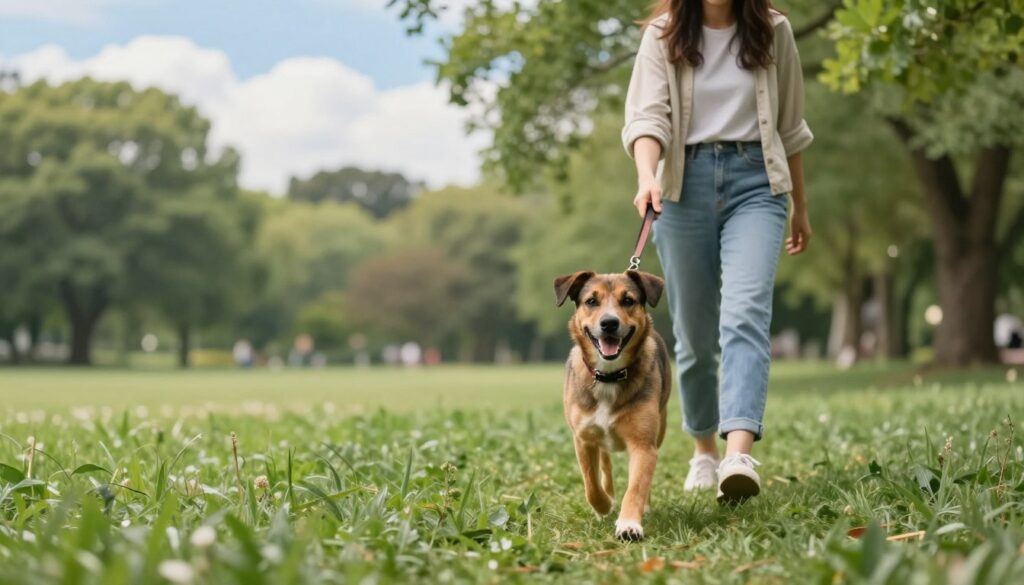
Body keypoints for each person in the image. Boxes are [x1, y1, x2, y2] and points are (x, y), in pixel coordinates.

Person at [622, 0, 813, 503]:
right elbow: (647, 118)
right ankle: (704, 449)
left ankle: (738, 453)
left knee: (745, 313)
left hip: (758, 182)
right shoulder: (663, 35)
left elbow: (791, 125)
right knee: (694, 335)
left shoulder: (774, 31)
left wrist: (800, 204)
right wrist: (647, 177)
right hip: (683, 185)